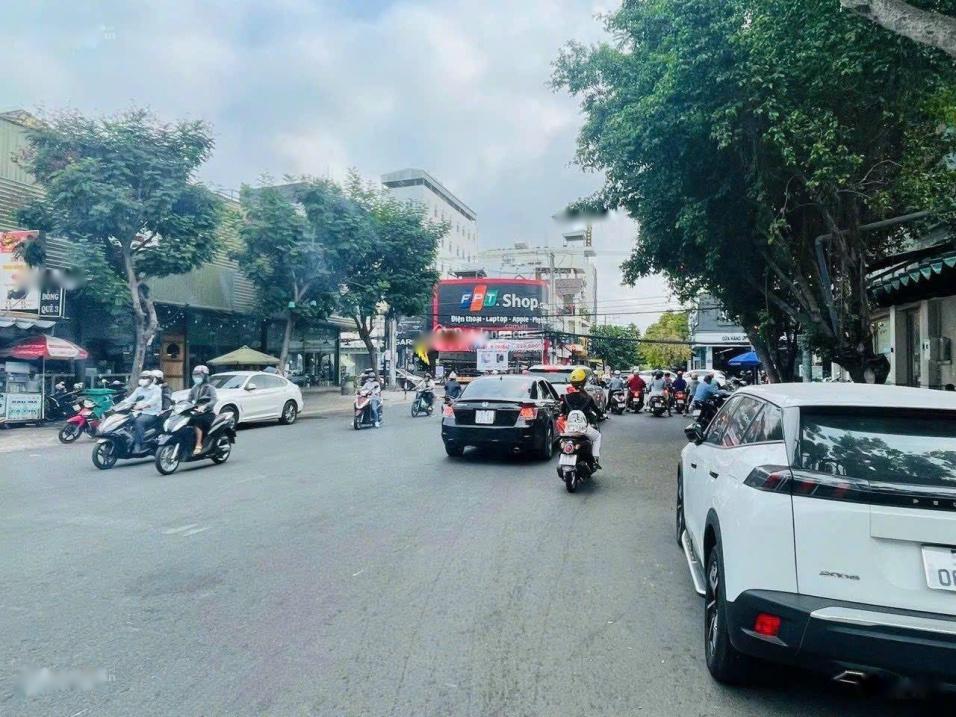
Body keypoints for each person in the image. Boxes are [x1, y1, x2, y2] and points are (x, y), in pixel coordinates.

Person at [560, 368, 603, 469]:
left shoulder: (566, 397)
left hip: (569, 429)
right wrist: (601, 415)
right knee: (597, 437)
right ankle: (595, 460)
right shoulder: (588, 398)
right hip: (583, 429)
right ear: (584, 382)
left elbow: (562, 412)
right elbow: (596, 411)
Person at [117, 370, 163, 453]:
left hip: (152, 413)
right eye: (142, 377)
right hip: (138, 412)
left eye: (145, 378)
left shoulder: (156, 389)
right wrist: (119, 405)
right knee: (124, 419)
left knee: (139, 421)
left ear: (151, 379)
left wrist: (143, 406)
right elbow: (130, 399)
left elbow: (154, 400)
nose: (142, 379)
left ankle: (138, 444)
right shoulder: (139, 389)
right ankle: (127, 439)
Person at [188, 365, 219, 455]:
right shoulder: (194, 387)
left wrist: (205, 406)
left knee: (197, 422)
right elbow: (188, 400)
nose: (196, 377)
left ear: (205, 376)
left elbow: (214, 400)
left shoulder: (210, 388)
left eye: (198, 375)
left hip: (208, 413)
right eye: (195, 375)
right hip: (196, 412)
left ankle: (199, 444)